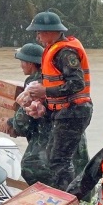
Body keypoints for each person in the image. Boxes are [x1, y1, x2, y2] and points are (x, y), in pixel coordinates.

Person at [20, 11, 93, 190]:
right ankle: (64, 196)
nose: (37, 36)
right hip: (64, 111)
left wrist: (46, 91)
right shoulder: (52, 50)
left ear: (51, 31)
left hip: (74, 111)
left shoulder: (65, 52)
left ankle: (66, 199)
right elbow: (57, 83)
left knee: (60, 160)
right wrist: (43, 105)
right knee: (55, 158)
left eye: (39, 32)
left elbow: (76, 83)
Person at [7, 42, 89, 186]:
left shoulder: (34, 85)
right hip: (76, 146)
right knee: (77, 183)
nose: (21, 66)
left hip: (50, 148)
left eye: (22, 62)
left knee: (32, 170)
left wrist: (10, 123)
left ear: (30, 64)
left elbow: (22, 124)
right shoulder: (59, 78)